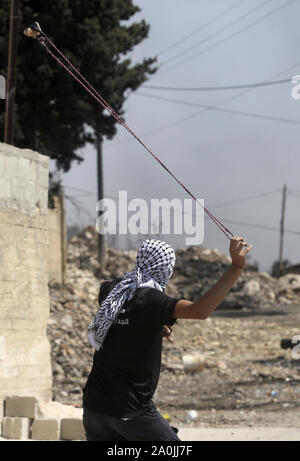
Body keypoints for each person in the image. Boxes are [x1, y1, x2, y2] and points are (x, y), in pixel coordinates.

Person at [82, 236, 252, 441]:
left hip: (94, 408)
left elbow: (117, 307)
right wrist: (236, 267)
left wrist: (147, 326)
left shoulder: (113, 291)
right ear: (164, 268)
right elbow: (200, 310)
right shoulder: (152, 300)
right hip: (131, 411)